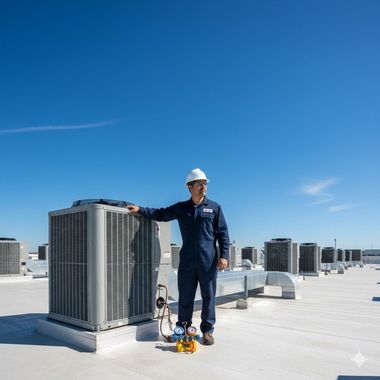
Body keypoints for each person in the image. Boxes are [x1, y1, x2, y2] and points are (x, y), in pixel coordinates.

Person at [127, 168, 229, 345]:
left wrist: (224, 256)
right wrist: (140, 210)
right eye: (200, 184)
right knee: (186, 295)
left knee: (208, 296)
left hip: (208, 260)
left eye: (205, 184)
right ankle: (182, 327)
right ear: (190, 187)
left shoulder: (214, 208)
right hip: (188, 260)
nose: (204, 187)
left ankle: (207, 330)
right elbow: (160, 213)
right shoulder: (182, 208)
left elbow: (223, 233)